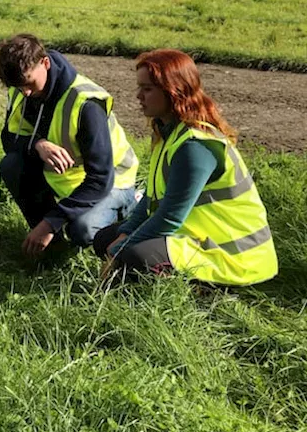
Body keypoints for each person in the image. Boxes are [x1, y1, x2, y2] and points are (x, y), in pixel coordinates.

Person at [93, 49, 276, 285]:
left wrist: (123, 247)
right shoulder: (166, 131)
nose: (139, 96)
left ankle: (207, 290)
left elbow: (170, 217)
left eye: (147, 89)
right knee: (104, 239)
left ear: (173, 91)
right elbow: (150, 198)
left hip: (232, 255)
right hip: (198, 235)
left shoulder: (194, 145)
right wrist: (125, 233)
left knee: (133, 255)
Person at [0, 34, 140, 260]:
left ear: (45, 62)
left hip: (113, 181)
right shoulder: (21, 86)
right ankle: (51, 247)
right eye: (18, 86)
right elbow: (8, 139)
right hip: (67, 179)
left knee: (82, 229)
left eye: (29, 83)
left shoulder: (85, 103)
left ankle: (131, 209)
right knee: (12, 165)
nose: (25, 93)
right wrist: (37, 144)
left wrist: (51, 222)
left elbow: (100, 178)